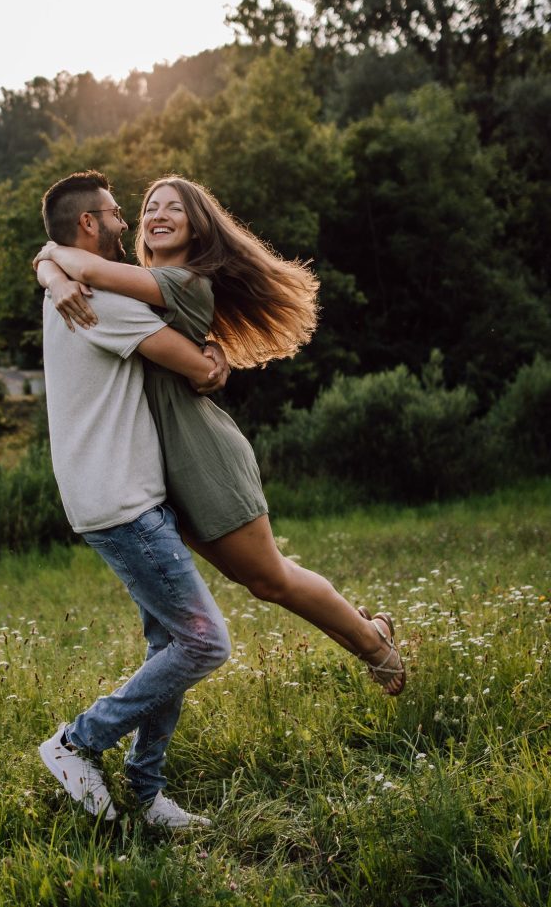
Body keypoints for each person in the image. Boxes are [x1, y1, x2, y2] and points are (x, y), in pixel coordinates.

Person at [34, 175, 406, 696]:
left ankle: (375, 646)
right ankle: (369, 631)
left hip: (199, 451)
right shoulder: (133, 280)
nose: (156, 215)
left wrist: (51, 264)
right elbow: (73, 259)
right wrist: (51, 270)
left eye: (174, 210)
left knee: (269, 577)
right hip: (156, 463)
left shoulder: (182, 281)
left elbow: (82, 262)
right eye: (149, 208)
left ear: (197, 227)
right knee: (255, 580)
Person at [35, 171, 233, 829]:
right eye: (118, 214)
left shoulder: (67, 291)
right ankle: (78, 741)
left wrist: (49, 267)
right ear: (89, 225)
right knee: (205, 642)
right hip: (122, 503)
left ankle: (145, 796)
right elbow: (198, 368)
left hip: (119, 496)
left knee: (170, 645)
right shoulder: (99, 301)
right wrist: (213, 357)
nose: (127, 224)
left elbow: (49, 257)